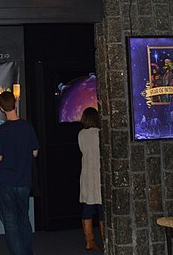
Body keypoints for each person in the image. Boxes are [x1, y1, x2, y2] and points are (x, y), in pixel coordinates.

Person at [0, 90, 39, 255]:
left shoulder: (1, 131)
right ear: (16, 104)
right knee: (24, 219)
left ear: (1, 108)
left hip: (5, 181)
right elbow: (35, 153)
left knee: (10, 222)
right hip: (24, 180)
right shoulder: (27, 127)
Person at [78, 107, 104, 252]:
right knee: (102, 209)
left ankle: (89, 240)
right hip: (99, 173)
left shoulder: (81, 134)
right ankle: (105, 239)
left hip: (87, 173)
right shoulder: (100, 134)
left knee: (87, 207)